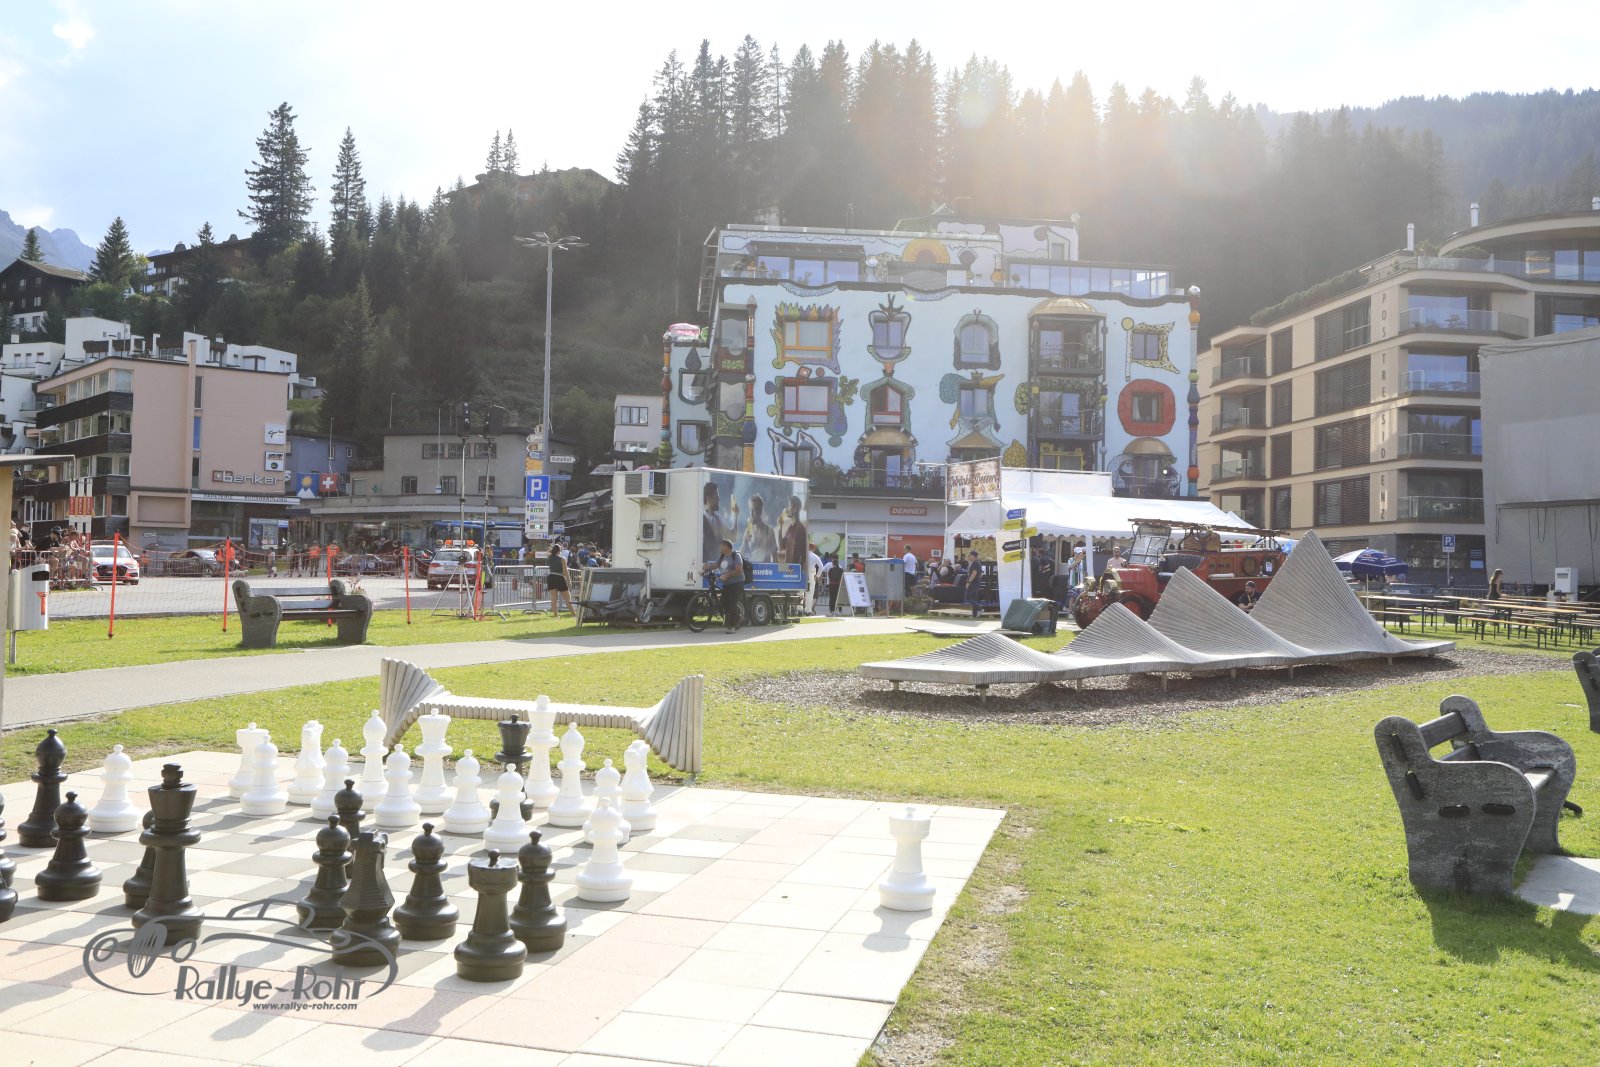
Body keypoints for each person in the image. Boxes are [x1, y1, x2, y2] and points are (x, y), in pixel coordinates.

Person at [704, 538, 745, 634]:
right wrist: (705, 570)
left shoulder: (736, 555)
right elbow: (715, 565)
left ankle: (732, 627)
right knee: (723, 603)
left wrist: (727, 575)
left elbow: (739, 570)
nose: (720, 547)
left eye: (721, 545)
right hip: (727, 584)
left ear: (726, 546)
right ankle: (739, 619)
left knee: (731, 603)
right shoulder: (722, 556)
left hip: (736, 583)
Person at [738, 494, 778, 564]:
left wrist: (774, 570)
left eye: (754, 510)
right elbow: (740, 557)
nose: (751, 514)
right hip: (752, 568)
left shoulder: (769, 532)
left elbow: (775, 557)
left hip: (765, 569)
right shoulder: (748, 531)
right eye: (750, 510)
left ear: (760, 511)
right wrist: (745, 542)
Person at [701, 481, 726, 565]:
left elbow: (732, 537)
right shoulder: (701, 521)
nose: (719, 499)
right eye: (716, 496)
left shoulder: (718, 519)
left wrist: (735, 517)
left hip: (718, 565)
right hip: (706, 565)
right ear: (708, 499)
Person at [778, 495, 807, 566]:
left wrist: (798, 570)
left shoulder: (800, 529)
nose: (786, 509)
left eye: (789, 506)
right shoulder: (790, 528)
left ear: (795, 509)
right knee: (777, 568)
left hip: (793, 569)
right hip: (787, 568)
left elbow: (803, 556)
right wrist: (780, 527)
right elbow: (781, 547)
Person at [545, 542, 571, 616]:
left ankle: (555, 614)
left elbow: (547, 551)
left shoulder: (550, 557)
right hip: (560, 577)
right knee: (567, 598)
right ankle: (573, 613)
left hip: (551, 577)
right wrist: (569, 580)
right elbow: (565, 571)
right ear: (560, 551)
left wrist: (552, 547)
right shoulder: (562, 559)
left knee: (553, 598)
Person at [963, 550, 986, 618]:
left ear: (973, 556)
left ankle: (980, 608)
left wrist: (969, 582)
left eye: (970, 556)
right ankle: (975, 614)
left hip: (973, 583)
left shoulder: (975, 563)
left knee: (968, 597)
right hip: (976, 583)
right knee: (973, 598)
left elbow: (974, 573)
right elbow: (980, 574)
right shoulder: (977, 563)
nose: (969, 557)